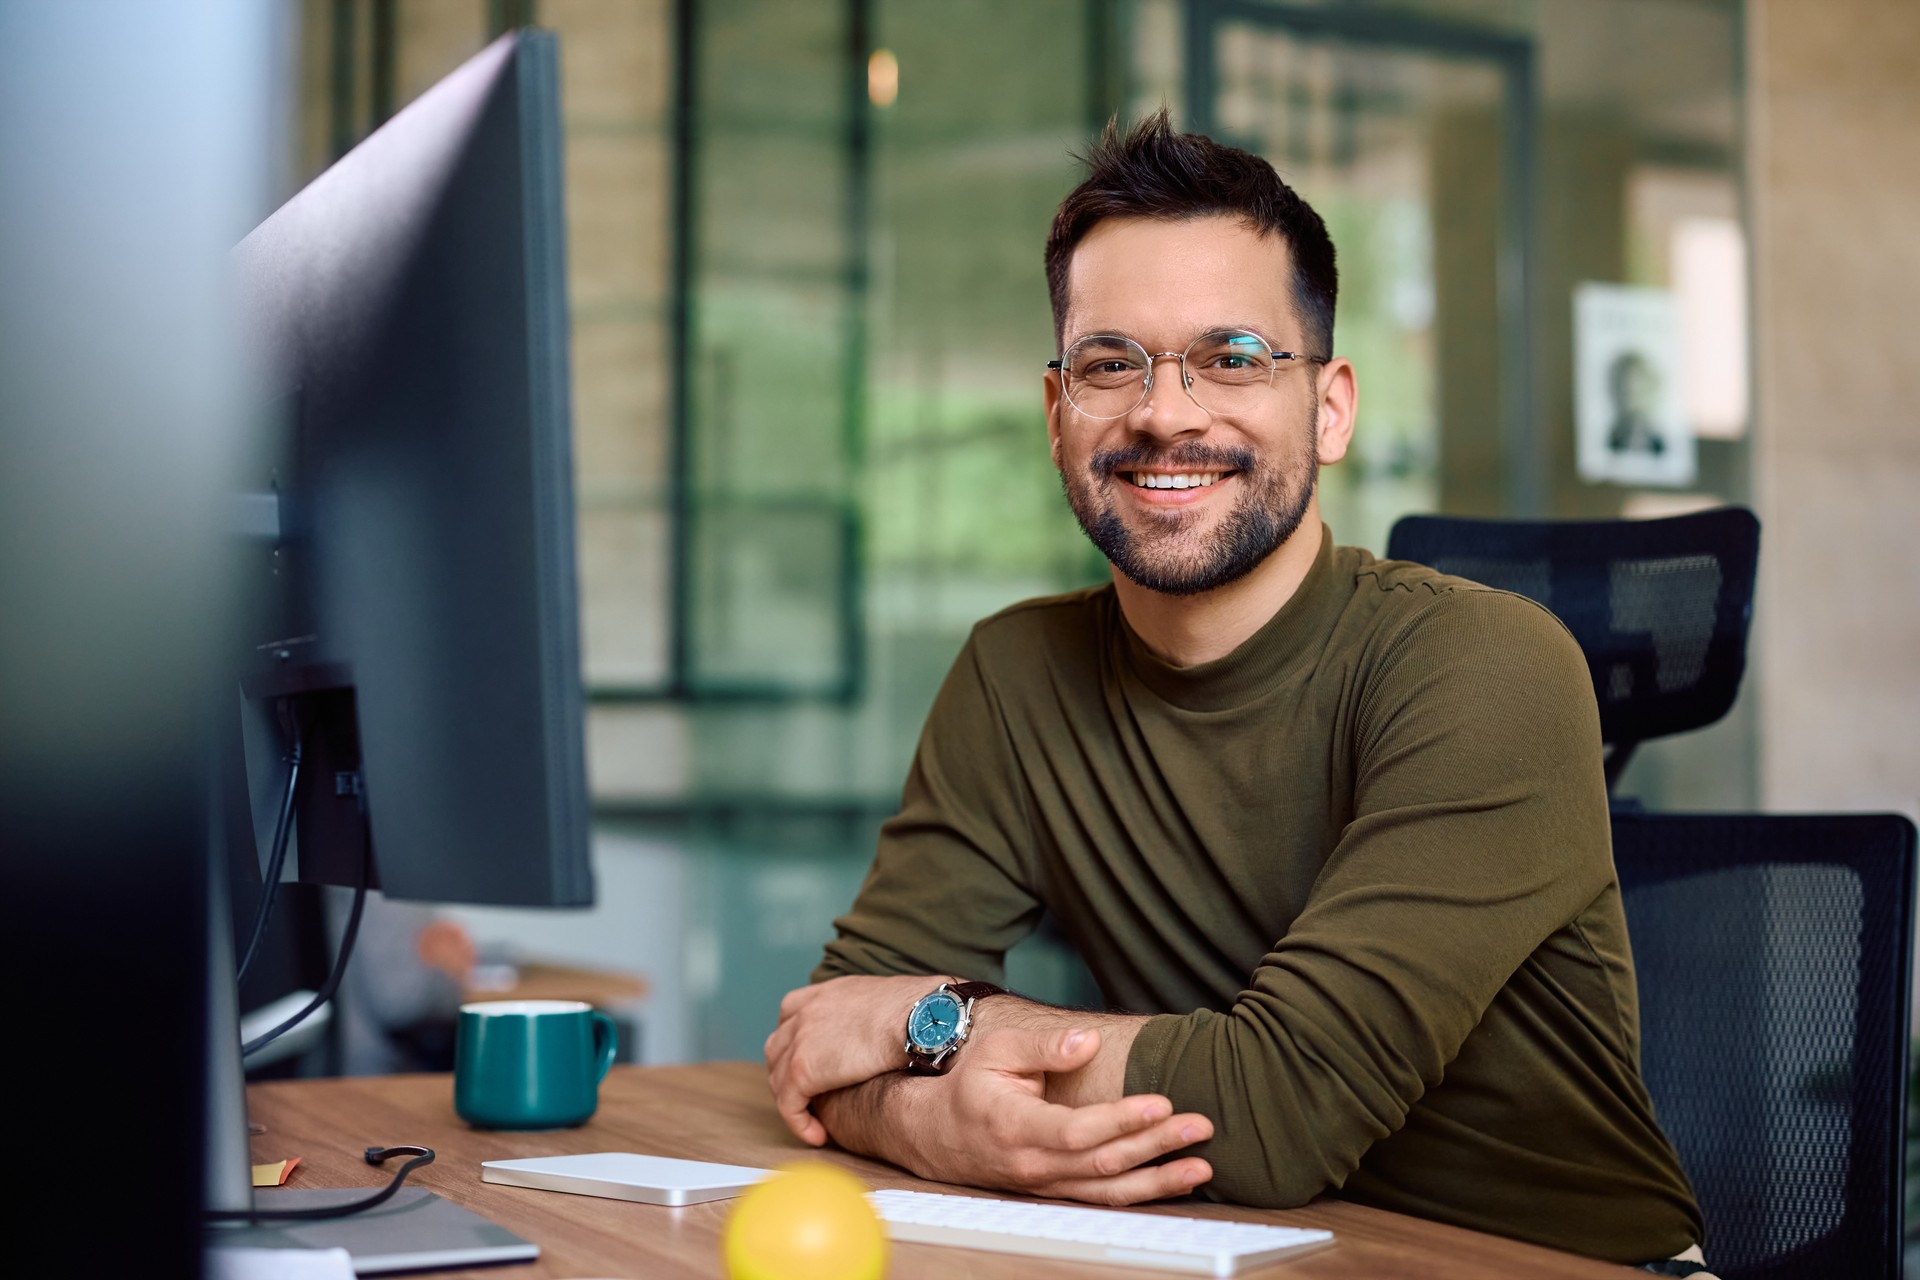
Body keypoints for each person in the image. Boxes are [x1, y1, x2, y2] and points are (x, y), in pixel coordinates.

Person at [763, 112, 1713, 1276]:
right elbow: (826, 1040)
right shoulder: (1014, 673)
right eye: (1112, 362)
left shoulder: (1490, 667)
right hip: (1227, 1249)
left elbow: (1281, 1105)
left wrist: (947, 1031)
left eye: (1233, 356)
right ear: (1057, 413)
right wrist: (930, 1111)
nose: (1166, 411)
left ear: (1331, 406)